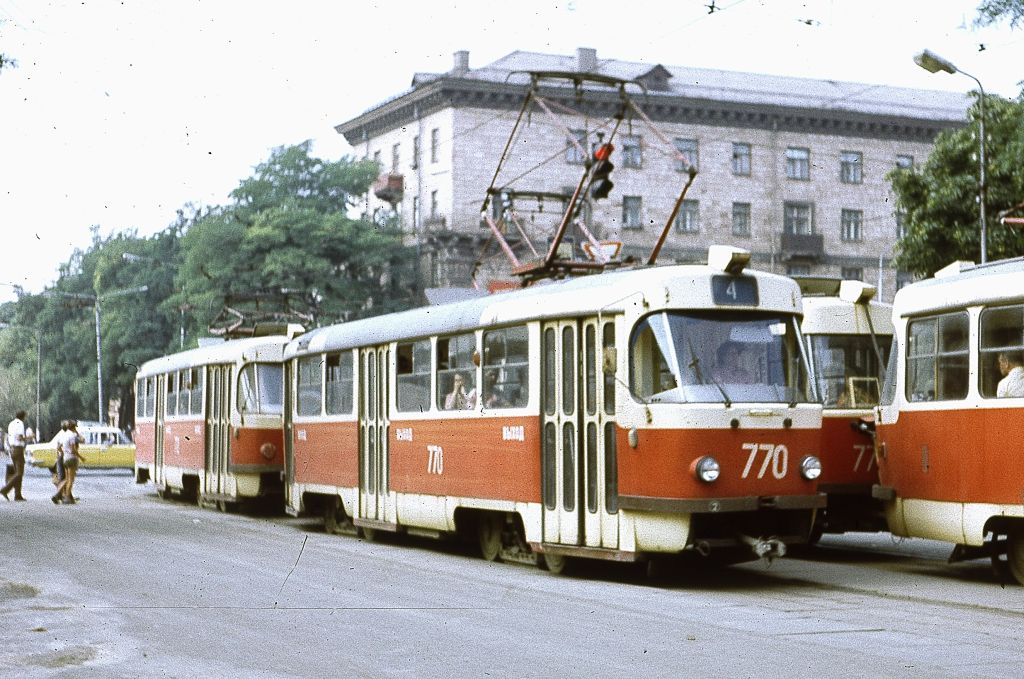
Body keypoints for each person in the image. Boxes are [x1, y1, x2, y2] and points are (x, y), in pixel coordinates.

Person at [53, 420, 85, 504]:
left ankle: (60, 495)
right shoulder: (72, 436)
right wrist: (81, 457)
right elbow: (74, 449)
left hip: (65, 458)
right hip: (72, 458)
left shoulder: (64, 435)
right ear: (74, 427)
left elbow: (59, 447)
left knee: (67, 479)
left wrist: (63, 453)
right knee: (70, 480)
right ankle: (66, 497)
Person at [1, 410, 30, 501]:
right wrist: (30, 437)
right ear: (23, 416)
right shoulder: (20, 424)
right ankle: (5, 489)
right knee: (19, 473)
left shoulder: (11, 423)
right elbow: (19, 437)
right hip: (18, 449)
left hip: (12, 449)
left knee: (17, 471)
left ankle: (18, 495)